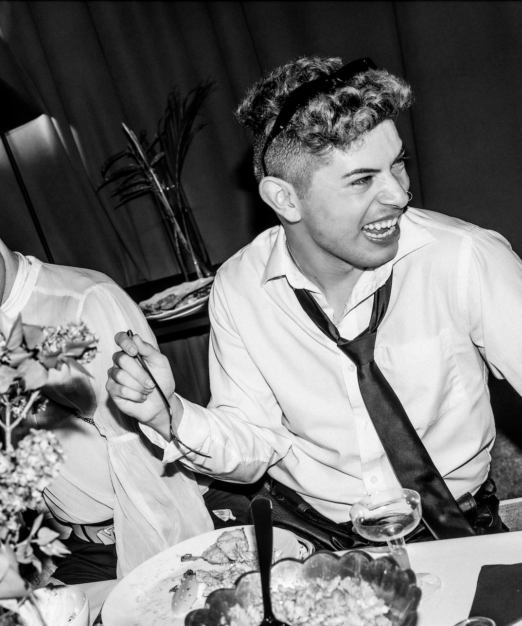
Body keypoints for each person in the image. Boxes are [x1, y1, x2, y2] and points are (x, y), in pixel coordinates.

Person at [107, 55, 521, 549]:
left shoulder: (466, 258)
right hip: (315, 543)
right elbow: (252, 443)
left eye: (398, 164)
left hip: (460, 531)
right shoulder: (240, 288)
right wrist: (168, 414)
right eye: (363, 180)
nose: (399, 194)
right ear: (284, 200)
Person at [0, 169, 218, 582]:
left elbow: (149, 450)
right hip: (75, 545)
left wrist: (158, 572)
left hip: (151, 530)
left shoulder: (85, 304)